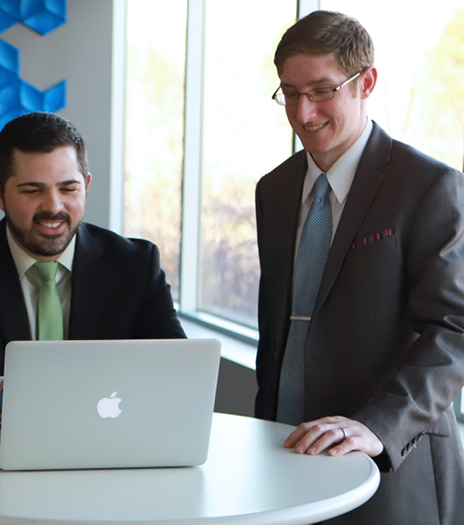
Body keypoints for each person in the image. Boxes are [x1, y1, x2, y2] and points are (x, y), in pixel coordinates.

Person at [255, 10, 464, 524]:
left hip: (392, 465)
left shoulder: (427, 186)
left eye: (322, 90)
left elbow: (455, 329)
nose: (304, 113)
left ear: (366, 82)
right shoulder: (274, 189)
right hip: (284, 452)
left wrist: (377, 426)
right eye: (290, 92)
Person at [0, 112, 185, 429]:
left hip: (111, 448)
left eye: (68, 188)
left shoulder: (136, 265)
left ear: (86, 186)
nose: (53, 206)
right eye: (32, 190)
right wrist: (6, 396)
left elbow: (178, 371)